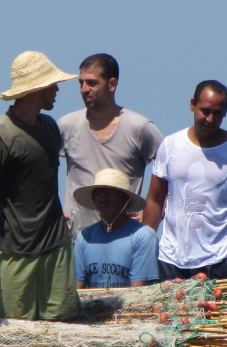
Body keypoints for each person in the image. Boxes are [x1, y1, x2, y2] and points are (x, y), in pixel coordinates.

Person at [0, 51, 81, 320]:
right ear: (38, 89)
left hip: (56, 249)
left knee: (63, 325)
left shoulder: (50, 129)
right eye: (53, 84)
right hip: (13, 252)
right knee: (14, 334)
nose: (57, 89)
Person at [142, 79, 227, 280]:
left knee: (214, 311)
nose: (210, 119)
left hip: (217, 258)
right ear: (192, 105)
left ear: (226, 111)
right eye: (205, 111)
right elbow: (154, 199)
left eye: (217, 113)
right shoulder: (170, 145)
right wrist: (143, 248)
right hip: (171, 257)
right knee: (168, 312)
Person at [59, 53, 163, 236]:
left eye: (92, 83)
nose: (84, 89)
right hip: (77, 240)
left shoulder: (138, 127)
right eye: (81, 83)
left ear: (112, 84)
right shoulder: (67, 125)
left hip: (124, 238)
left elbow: (176, 170)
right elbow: (40, 170)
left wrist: (154, 214)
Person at [72, 169, 159, 289]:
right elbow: (78, 288)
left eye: (110, 192)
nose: (102, 195)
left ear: (125, 199)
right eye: (98, 192)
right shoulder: (84, 238)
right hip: (91, 305)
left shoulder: (144, 236)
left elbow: (138, 291)